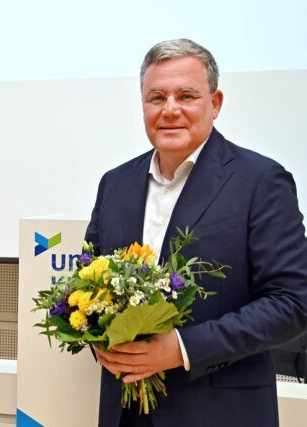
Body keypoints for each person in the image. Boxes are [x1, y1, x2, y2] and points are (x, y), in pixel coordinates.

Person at [85, 38, 307, 427]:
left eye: (185, 95)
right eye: (157, 97)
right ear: (143, 106)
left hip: (219, 414)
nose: (170, 109)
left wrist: (183, 348)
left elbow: (292, 301)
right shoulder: (114, 184)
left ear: (215, 103)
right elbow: (86, 285)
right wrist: (99, 338)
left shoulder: (261, 181)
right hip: (124, 413)